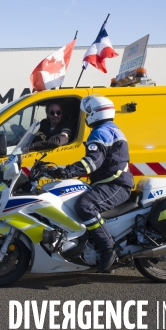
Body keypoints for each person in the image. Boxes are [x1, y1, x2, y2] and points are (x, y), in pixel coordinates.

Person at [51, 94, 134, 271]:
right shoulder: (108, 129)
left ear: (94, 112)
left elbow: (92, 162)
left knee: (85, 205)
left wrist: (67, 172)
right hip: (110, 182)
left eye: (87, 112)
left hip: (115, 185)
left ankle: (108, 249)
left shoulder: (101, 132)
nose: (85, 116)